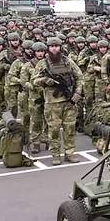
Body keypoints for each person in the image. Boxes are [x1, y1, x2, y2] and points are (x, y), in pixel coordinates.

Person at [33, 37, 84, 165]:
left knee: (70, 127)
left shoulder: (68, 61)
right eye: (52, 46)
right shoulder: (42, 64)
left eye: (57, 46)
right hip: (52, 103)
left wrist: (77, 92)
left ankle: (70, 152)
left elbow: (79, 76)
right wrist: (44, 80)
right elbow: (34, 80)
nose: (54, 48)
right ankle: (55, 154)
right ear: (48, 48)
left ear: (60, 47)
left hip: (69, 101)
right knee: (54, 129)